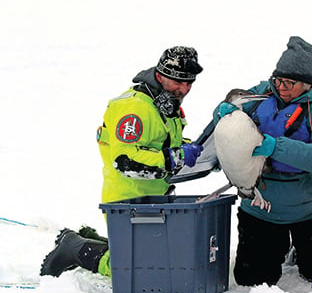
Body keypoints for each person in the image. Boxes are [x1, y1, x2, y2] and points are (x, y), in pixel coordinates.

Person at [40, 46, 205, 278]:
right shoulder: (134, 107)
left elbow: (159, 142)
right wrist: (174, 157)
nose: (184, 89)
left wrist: (196, 151)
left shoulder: (165, 104)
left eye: (189, 83)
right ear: (160, 75)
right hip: (126, 200)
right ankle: (75, 249)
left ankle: (95, 240)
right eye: (178, 81)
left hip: (153, 197)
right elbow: (126, 161)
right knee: (144, 268)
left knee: (165, 257)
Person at [215, 36, 312, 286]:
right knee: (251, 279)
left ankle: (300, 250)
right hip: (262, 206)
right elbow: (229, 115)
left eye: (289, 83)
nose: (281, 87)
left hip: (310, 209)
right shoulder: (262, 92)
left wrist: (275, 146)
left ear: (307, 83)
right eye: (278, 80)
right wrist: (223, 112)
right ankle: (278, 247)